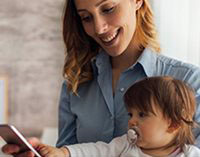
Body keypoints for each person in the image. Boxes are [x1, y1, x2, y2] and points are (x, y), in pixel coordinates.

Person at [2, 0, 200, 156]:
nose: (98, 28)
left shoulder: (190, 81)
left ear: (138, 1)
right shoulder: (76, 83)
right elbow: (69, 152)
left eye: (108, 9)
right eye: (86, 17)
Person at [38, 76, 200, 157]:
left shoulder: (190, 154)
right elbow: (96, 151)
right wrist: (65, 153)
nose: (132, 121)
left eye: (142, 114)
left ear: (172, 124)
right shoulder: (127, 145)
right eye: (131, 114)